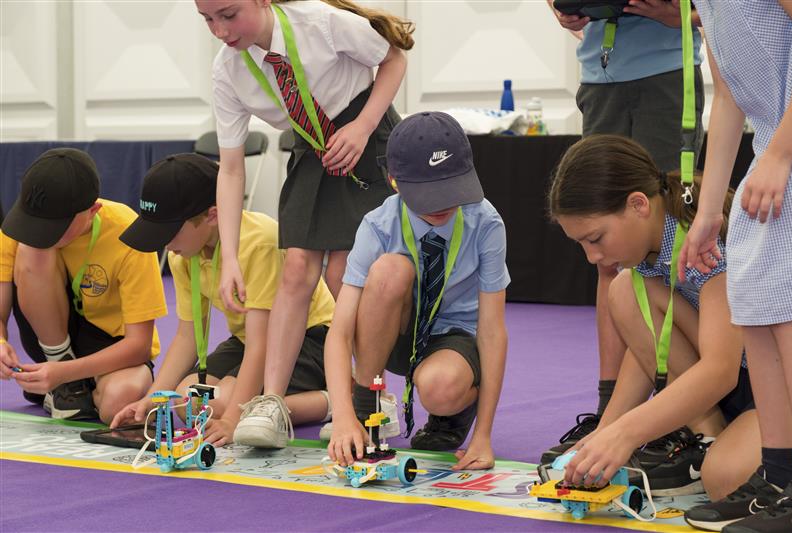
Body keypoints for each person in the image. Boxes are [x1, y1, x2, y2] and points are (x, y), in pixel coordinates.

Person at [195, 0, 413, 448]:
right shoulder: (228, 69)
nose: (220, 30)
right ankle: (272, 402)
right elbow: (231, 169)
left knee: (343, 273)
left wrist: (363, 126)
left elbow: (393, 59)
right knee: (296, 269)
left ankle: (373, 396)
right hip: (313, 148)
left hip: (365, 136)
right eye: (207, 19)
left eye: (229, 14)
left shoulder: (321, 22)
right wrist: (230, 257)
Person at [549, 135, 758, 499]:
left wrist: (627, 433)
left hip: (774, 385)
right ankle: (707, 435)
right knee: (625, 289)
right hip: (736, 380)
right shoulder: (648, 251)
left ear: (638, 205)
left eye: (596, 238)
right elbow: (648, 348)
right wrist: (604, 436)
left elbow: (721, 369)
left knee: (725, 479)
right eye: (580, 244)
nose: (591, 257)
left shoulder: (705, 243)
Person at [542, 0, 705, 462]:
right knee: (609, 255)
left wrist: (685, 15)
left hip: (668, 73)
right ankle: (610, 407)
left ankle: (688, 415)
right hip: (599, 76)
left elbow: (731, 12)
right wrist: (563, 9)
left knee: (671, 240)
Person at [325, 111, 510, 471]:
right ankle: (368, 408)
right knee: (391, 269)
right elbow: (341, 330)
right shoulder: (378, 225)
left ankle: (452, 415)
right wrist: (344, 414)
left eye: (452, 189)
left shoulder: (485, 222)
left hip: (453, 337)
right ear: (394, 181)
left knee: (441, 387)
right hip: (395, 330)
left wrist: (483, 436)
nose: (441, 205)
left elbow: (492, 331)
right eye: (428, 194)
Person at [111, 154, 335, 447]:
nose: (166, 244)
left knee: (225, 403)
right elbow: (187, 336)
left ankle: (330, 400)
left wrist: (233, 419)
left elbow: (264, 344)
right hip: (248, 339)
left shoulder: (258, 243)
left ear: (213, 216)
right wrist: (153, 399)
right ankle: (251, 405)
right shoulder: (185, 254)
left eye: (170, 232)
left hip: (307, 338)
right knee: (185, 401)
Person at [678, 2, 792, 531]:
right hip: (771, 152)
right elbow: (727, 98)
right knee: (755, 311)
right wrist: (708, 211)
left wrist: (780, 153)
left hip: (787, 149)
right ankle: (780, 478)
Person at [0, 148, 165, 423]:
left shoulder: (128, 232)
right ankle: (62, 375)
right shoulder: (21, 228)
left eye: (57, 225)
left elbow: (139, 345)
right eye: (36, 221)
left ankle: (69, 386)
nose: (42, 231)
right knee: (33, 248)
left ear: (92, 210)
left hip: (111, 347)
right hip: (48, 336)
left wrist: (66, 374)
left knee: (119, 405)